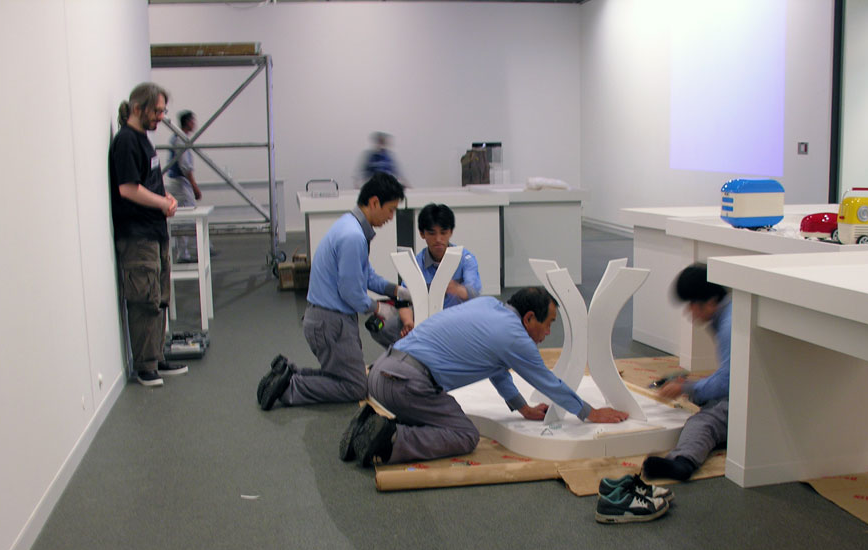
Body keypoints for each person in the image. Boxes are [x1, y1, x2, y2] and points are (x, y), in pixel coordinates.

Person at [340, 286, 629, 467]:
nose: (548, 332)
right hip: (406, 384)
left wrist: (522, 408)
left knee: (433, 419)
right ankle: (391, 440)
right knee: (465, 435)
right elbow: (548, 382)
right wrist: (589, 413)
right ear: (529, 317)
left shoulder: (488, 305)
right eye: (549, 323)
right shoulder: (516, 337)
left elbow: (497, 369)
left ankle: (370, 426)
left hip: (380, 374)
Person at [257, 172, 410, 409]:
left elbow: (366, 275)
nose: (391, 217)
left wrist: (396, 290)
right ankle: (289, 389)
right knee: (355, 387)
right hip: (331, 324)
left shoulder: (350, 226)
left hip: (325, 320)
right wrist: (379, 308)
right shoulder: (353, 237)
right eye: (390, 210)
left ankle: (289, 374)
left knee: (344, 376)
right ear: (374, 202)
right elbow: (351, 292)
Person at [109, 81, 187, 388]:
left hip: (154, 231)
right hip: (137, 235)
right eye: (156, 111)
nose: (161, 117)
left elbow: (149, 182)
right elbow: (128, 189)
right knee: (144, 300)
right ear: (137, 108)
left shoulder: (143, 140)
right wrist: (162, 203)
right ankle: (145, 366)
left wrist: (166, 199)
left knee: (159, 298)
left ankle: (156, 356)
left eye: (163, 111)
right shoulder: (126, 141)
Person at [642, 263, 731, 482]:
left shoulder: (729, 327)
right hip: (751, 386)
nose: (689, 312)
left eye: (692, 305)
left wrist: (688, 388)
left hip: (753, 400)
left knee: (705, 420)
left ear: (711, 302)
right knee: (701, 393)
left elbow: (729, 382)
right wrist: (691, 387)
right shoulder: (729, 315)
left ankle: (683, 462)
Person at [368, 202, 483, 348]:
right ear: (422, 234)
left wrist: (456, 289)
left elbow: (474, 293)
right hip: (426, 320)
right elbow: (404, 300)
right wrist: (408, 323)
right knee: (384, 328)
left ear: (451, 232)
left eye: (443, 232)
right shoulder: (417, 263)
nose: (438, 239)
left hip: (458, 321)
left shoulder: (465, 259)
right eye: (432, 233)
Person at [166, 110, 202, 263]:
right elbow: (185, 166)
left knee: (185, 216)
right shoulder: (181, 140)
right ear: (187, 122)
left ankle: (186, 251)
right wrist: (195, 187)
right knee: (187, 215)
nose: (194, 123)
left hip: (180, 182)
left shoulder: (180, 138)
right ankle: (185, 253)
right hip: (180, 183)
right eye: (192, 120)